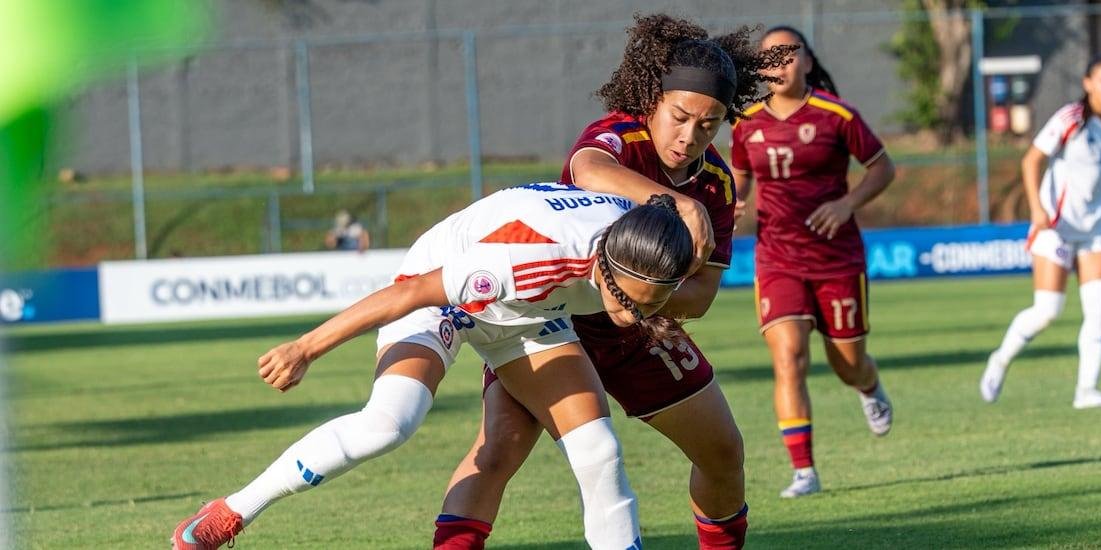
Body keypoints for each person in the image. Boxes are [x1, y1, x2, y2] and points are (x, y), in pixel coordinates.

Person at [432, 15, 796, 550]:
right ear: (653, 97)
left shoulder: (716, 184)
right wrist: (675, 204)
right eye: (679, 116)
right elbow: (586, 168)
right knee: (498, 450)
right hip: (552, 323)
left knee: (723, 453)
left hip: (638, 331)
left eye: (709, 123)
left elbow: (701, 297)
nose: (689, 136)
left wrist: (650, 298)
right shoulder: (621, 137)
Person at [170, 183, 695, 550]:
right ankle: (229, 511)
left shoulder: (653, 242)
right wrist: (306, 347)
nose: (633, 315)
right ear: (602, 264)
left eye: (650, 304)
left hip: (531, 314)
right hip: (441, 289)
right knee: (389, 423)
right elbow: (411, 293)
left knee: (599, 451)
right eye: (625, 299)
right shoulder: (526, 259)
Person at [729, 25, 897, 498]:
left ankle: (869, 387)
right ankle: (804, 471)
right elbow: (739, 177)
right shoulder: (746, 123)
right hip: (778, 258)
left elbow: (883, 167)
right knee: (789, 358)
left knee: (849, 364)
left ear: (806, 61)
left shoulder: (836, 115)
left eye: (788, 54)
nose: (778, 63)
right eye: (769, 57)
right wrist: (735, 201)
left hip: (837, 259)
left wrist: (847, 204)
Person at [981, 55, 1101, 409]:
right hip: (1057, 229)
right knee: (1048, 310)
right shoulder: (1071, 119)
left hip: (1095, 230)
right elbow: (1031, 159)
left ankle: (1087, 391)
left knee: (1099, 311)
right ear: (1088, 83)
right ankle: (1000, 359)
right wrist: (1037, 209)